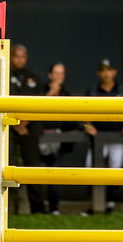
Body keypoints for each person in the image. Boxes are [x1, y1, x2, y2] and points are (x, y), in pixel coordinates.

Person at [83, 59, 123, 213]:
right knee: (90, 169)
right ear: (99, 73)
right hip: (98, 137)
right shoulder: (93, 90)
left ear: (114, 72)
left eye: (109, 70)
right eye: (103, 70)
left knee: (115, 169)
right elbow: (83, 110)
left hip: (117, 136)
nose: (106, 73)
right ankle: (94, 202)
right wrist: (87, 125)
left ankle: (111, 202)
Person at [8, 44, 47, 214]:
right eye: (17, 56)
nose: (20, 59)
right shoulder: (3, 74)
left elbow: (39, 102)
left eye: (23, 56)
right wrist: (16, 124)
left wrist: (24, 122)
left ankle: (38, 209)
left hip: (30, 129)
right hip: (8, 128)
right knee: (6, 167)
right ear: (10, 56)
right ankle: (7, 209)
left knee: (33, 168)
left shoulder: (33, 77)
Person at [41, 62, 73, 215]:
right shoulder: (41, 89)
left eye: (61, 73)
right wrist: (50, 94)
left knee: (55, 173)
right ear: (50, 75)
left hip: (60, 140)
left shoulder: (66, 93)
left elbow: (71, 117)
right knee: (38, 174)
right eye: (56, 73)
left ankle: (54, 208)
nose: (58, 77)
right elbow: (37, 109)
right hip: (41, 138)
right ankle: (38, 208)